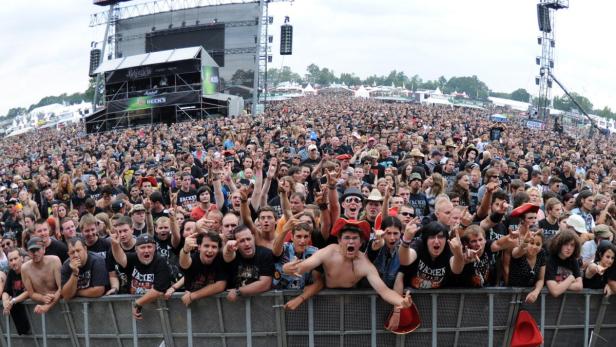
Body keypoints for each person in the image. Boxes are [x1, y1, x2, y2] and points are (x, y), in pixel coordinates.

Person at [282, 219, 412, 308]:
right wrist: (288, 268)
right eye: (347, 238)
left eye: (355, 238)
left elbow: (384, 291)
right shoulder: (329, 251)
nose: (351, 242)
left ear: (361, 243)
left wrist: (401, 301)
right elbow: (304, 265)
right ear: (339, 240)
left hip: (352, 306)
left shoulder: (364, 264)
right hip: (322, 304)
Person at [110, 233, 171, 319]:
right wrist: (115, 244)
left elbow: (158, 290)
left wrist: (137, 303)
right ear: (136, 249)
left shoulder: (160, 262)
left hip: (158, 310)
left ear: (154, 248)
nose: (146, 250)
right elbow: (121, 259)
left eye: (149, 247)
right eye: (142, 247)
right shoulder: (132, 258)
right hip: (136, 311)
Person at [272, 218, 323, 310]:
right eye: (299, 236)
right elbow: (275, 251)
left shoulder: (315, 253)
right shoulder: (284, 248)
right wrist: (284, 231)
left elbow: (319, 282)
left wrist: (300, 299)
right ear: (292, 237)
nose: (302, 241)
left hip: (304, 302)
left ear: (310, 237)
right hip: (277, 299)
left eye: (306, 236)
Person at [223, 225, 274, 301]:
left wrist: (238, 291)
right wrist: (228, 248)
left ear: (253, 237)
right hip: (235, 306)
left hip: (261, 305)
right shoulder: (233, 255)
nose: (246, 243)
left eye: (248, 239)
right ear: (236, 243)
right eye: (242, 241)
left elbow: (265, 284)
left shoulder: (266, 254)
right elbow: (227, 256)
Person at [178, 231, 227, 306]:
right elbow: (184, 264)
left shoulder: (220, 259)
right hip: (193, 307)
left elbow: (220, 285)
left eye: (214, 247)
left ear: (218, 249)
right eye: (206, 246)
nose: (210, 250)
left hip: (216, 307)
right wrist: (185, 250)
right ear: (199, 247)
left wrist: (192, 296)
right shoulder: (193, 258)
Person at [21, 237, 62, 314]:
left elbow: (61, 288)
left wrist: (47, 306)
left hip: (60, 305)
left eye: (37, 250)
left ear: (44, 249)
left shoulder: (54, 261)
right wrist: (42, 298)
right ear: (28, 252)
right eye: (32, 251)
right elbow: (31, 293)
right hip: (40, 309)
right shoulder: (25, 268)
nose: (35, 253)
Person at [509, 230, 546, 303]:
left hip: (530, 297)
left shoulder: (541, 253)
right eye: (531, 243)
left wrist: (536, 292)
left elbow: (541, 279)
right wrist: (525, 242)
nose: (534, 246)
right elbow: (516, 253)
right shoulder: (520, 251)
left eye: (538, 244)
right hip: (511, 296)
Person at [545, 230, 583, 297]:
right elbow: (555, 291)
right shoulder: (550, 260)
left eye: (572, 245)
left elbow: (579, 286)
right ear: (559, 244)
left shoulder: (573, 260)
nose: (569, 248)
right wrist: (571, 278)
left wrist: (561, 284)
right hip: (549, 303)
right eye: (566, 244)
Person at [2, 248, 31, 335]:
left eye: (15, 258)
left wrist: (13, 301)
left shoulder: (28, 269)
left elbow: (29, 291)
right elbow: (6, 291)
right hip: (20, 315)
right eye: (10, 260)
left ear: (21, 258)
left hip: (34, 313)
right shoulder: (11, 273)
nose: (13, 262)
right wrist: (5, 303)